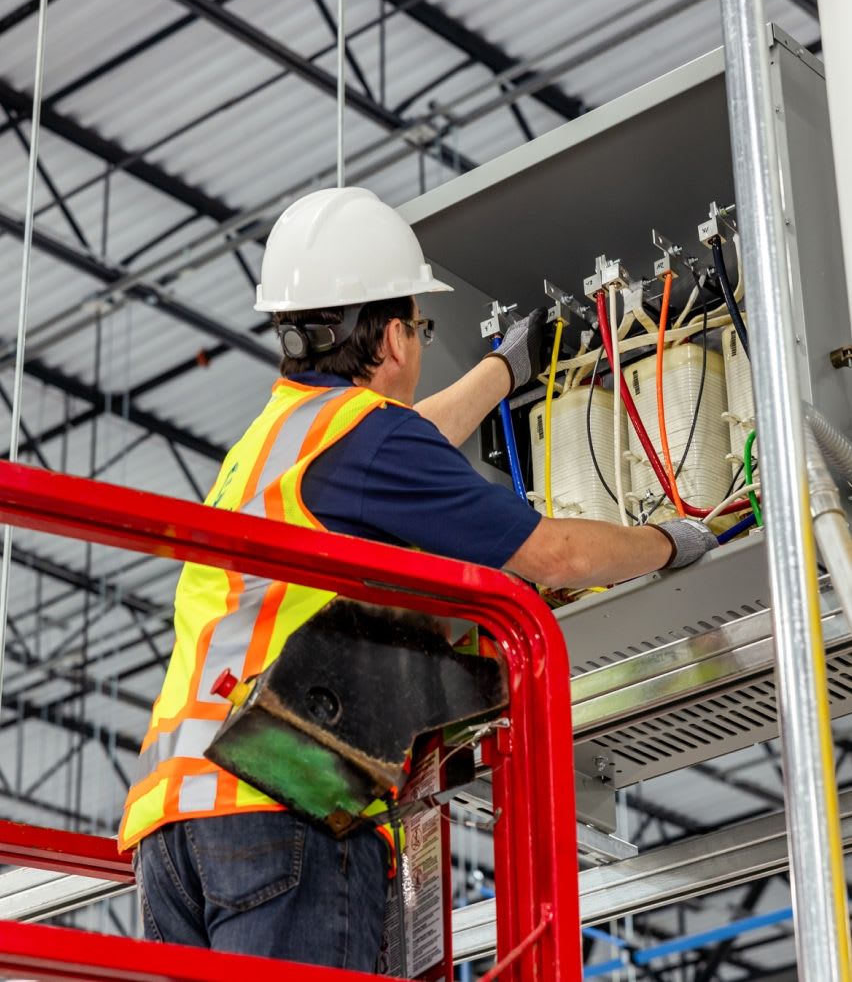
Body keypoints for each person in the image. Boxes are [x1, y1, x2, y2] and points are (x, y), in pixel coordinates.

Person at [120, 187, 716, 970]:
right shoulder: (363, 440)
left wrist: (504, 370)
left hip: (171, 829)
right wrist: (673, 540)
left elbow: (404, 443)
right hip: (283, 795)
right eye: (422, 328)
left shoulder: (271, 442)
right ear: (396, 336)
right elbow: (558, 557)